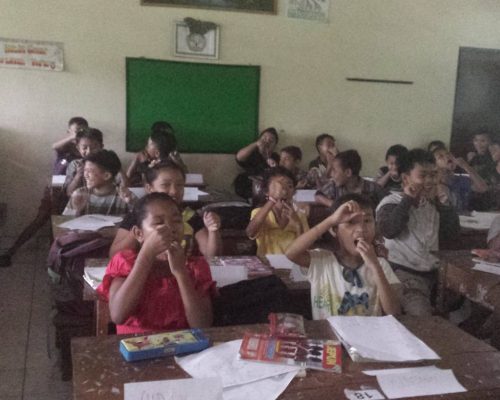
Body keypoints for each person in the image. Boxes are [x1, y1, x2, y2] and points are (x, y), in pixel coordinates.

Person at [97, 192, 215, 334]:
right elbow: (118, 315)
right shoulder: (125, 262)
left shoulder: (195, 267)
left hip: (183, 346)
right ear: (139, 234)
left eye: (177, 221)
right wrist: (146, 255)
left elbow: (202, 325)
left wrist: (180, 273)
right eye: (159, 223)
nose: (170, 228)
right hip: (136, 346)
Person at [285, 193, 401, 319]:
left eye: (367, 221)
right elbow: (291, 253)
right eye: (351, 222)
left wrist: (375, 267)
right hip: (329, 337)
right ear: (334, 230)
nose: (361, 229)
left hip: (366, 336)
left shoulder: (381, 265)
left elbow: (394, 311)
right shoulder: (322, 261)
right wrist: (330, 221)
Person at [376, 149, 460, 316]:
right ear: (406, 178)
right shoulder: (391, 203)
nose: (429, 181)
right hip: (403, 274)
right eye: (423, 176)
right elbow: (389, 230)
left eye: (433, 175)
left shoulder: (433, 206)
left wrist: (445, 207)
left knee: (461, 309)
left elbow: (451, 237)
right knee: (422, 318)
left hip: (434, 274)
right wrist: (408, 200)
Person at [0, 117, 89, 267]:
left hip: (71, 193)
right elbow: (54, 146)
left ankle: (54, 259)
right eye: (76, 130)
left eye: (83, 130)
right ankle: (11, 251)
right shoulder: (65, 148)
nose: (79, 133)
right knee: (39, 220)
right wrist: (74, 137)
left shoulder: (84, 150)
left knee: (60, 225)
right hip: (53, 191)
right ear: (69, 132)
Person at [109, 161, 222, 258]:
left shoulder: (190, 216)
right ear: (149, 188)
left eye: (179, 185)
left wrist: (213, 230)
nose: (174, 191)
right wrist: (140, 228)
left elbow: (211, 255)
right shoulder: (137, 215)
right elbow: (114, 254)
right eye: (165, 185)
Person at [246, 166, 309, 257]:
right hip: (267, 266)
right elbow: (250, 232)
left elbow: (305, 250)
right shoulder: (259, 212)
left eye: (289, 186)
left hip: (293, 265)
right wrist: (272, 200)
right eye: (278, 186)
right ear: (266, 192)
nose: (284, 191)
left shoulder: (299, 215)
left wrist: (298, 224)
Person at [63, 150, 133, 216]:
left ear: (106, 176)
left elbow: (139, 221)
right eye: (85, 170)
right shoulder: (80, 194)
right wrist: (77, 210)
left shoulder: (123, 195)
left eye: (89, 171)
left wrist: (130, 203)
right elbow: (64, 222)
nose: (85, 175)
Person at [315, 150, 384, 208]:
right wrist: (336, 205)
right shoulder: (334, 186)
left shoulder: (373, 188)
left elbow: (388, 201)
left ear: (348, 172)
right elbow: (318, 196)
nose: (331, 174)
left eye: (334, 171)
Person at [127, 121, 187, 187]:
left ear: (157, 152)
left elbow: (186, 175)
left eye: (148, 145)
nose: (145, 147)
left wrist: (178, 161)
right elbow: (127, 177)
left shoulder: (171, 158)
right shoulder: (141, 156)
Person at [433, 147, 488, 211]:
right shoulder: (435, 185)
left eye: (448, 153)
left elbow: (483, 188)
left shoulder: (461, 179)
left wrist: (466, 167)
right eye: (441, 156)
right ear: (434, 165)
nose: (447, 156)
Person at [234, 127, 279, 200]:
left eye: (271, 140)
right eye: (264, 138)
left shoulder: (275, 157)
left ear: (275, 145)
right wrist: (256, 144)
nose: (267, 142)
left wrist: (270, 161)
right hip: (248, 186)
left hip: (266, 189)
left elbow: (279, 174)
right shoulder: (252, 153)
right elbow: (239, 157)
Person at [63, 127, 104, 196]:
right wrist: (79, 174)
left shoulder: (108, 164)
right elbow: (69, 193)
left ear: (101, 147)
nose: (89, 151)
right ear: (78, 148)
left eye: (94, 147)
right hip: (79, 202)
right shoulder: (75, 164)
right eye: (84, 148)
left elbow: (124, 187)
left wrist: (118, 168)